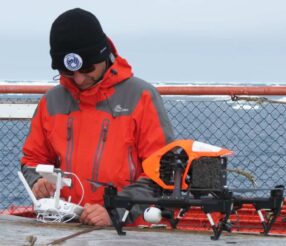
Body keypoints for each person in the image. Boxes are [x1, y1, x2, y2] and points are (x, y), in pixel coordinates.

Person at [20, 8, 174, 226]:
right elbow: (31, 161)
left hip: (131, 231)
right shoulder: (50, 102)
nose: (80, 79)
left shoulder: (142, 97)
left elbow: (162, 172)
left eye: (88, 68)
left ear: (104, 55)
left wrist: (116, 211)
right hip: (64, 225)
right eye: (68, 72)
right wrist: (38, 181)